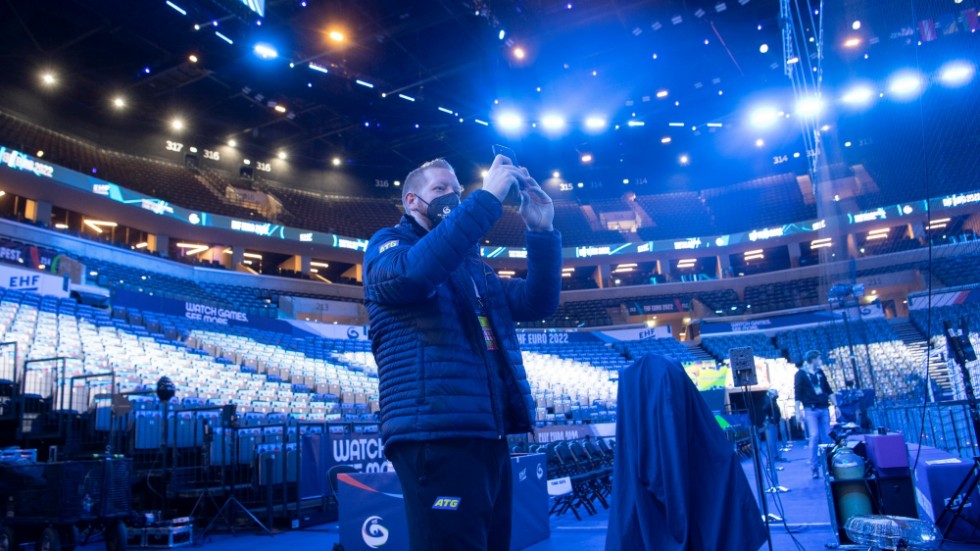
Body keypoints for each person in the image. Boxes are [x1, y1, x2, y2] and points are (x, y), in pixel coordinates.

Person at [363, 155, 561, 550]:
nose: (451, 196)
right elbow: (413, 275)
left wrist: (541, 233)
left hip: (488, 433)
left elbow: (535, 304)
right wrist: (485, 198)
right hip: (435, 434)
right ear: (412, 201)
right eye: (439, 189)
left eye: (456, 189)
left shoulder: (474, 269)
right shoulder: (388, 245)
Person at [794, 350, 836, 479]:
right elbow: (798, 393)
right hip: (810, 409)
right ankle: (814, 466)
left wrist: (836, 405)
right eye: (819, 358)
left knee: (827, 436)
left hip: (824, 408)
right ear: (813, 359)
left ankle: (831, 465)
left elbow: (828, 389)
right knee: (814, 436)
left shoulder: (820, 373)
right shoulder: (800, 374)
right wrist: (797, 411)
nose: (820, 361)